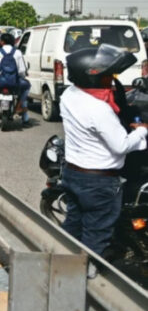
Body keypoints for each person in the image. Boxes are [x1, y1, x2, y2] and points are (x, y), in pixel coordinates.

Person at [59, 45, 148, 270]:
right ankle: (87, 277)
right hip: (99, 182)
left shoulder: (69, 95)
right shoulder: (99, 109)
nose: (112, 80)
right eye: (108, 76)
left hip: (73, 173)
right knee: (96, 235)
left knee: (73, 226)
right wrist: (141, 131)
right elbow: (121, 145)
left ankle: (60, 268)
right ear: (93, 77)